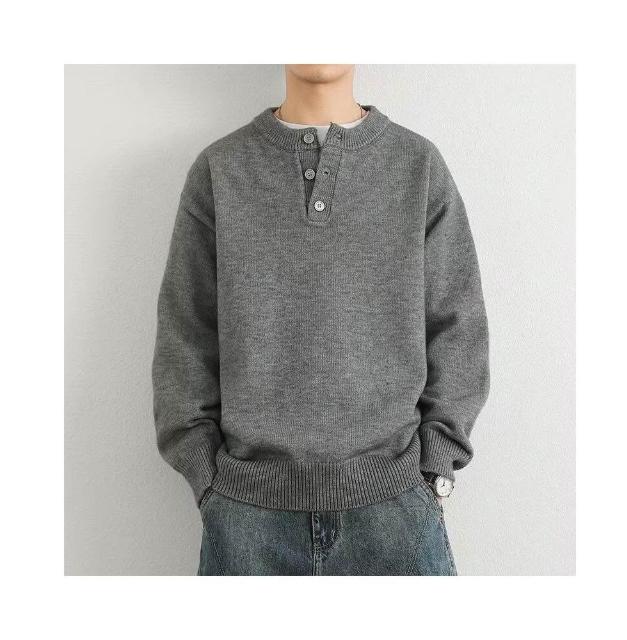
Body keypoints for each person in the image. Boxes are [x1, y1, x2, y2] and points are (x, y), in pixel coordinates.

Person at [152, 64, 490, 576]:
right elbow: (186, 335)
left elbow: (458, 325)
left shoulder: (417, 164)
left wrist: (435, 469)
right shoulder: (220, 169)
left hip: (396, 513)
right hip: (247, 521)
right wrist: (209, 482)